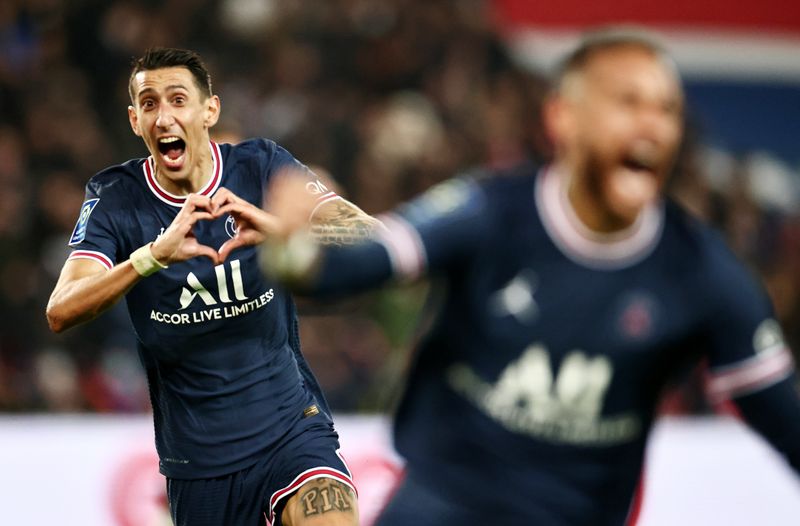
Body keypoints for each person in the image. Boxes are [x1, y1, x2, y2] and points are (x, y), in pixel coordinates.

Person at [222, 29, 800, 524]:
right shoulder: (491, 210)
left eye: (668, 109)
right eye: (628, 102)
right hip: (441, 505)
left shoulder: (701, 272)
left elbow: (784, 419)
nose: (652, 124)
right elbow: (360, 266)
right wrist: (296, 250)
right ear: (563, 118)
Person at [46, 47, 378, 526]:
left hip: (291, 430)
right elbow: (60, 310)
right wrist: (150, 257)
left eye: (178, 100)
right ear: (134, 120)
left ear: (209, 110)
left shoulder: (260, 166)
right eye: (150, 104)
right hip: (199, 465)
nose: (164, 116)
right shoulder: (116, 199)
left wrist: (278, 228)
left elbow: (373, 238)